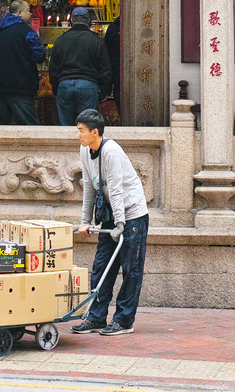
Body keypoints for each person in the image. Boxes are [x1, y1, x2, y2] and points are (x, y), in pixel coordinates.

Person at [73, 108, 148, 336]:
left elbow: (115, 189)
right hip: (110, 216)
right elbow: (89, 186)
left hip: (131, 215)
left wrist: (120, 224)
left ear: (95, 132)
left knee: (130, 270)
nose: (78, 135)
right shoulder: (85, 150)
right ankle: (96, 317)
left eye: (81, 131)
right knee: (101, 267)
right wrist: (85, 220)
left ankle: (124, 321)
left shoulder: (111, 152)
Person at [50, 6, 111, 126]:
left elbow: (53, 68)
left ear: (71, 20)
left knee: (66, 127)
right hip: (88, 86)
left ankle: (68, 145)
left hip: (65, 85)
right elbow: (105, 69)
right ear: (88, 20)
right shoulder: (96, 40)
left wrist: (56, 88)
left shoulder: (60, 40)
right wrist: (104, 91)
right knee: (86, 126)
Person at [0, 0, 41, 125]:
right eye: (28, 11)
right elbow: (39, 56)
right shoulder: (27, 32)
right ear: (19, 13)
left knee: (1, 127)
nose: (31, 14)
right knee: (30, 126)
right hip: (21, 87)